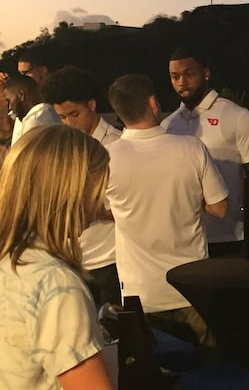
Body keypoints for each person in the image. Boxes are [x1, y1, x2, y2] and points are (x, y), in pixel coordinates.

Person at [106, 74, 228, 349]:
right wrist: (188, 199)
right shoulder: (191, 148)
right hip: (191, 285)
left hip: (140, 290)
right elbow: (220, 208)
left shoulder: (107, 158)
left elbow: (96, 209)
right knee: (207, 362)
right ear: (153, 103)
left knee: (154, 365)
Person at [0, 124, 113, 389]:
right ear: (69, 192)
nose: (99, 204)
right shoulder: (57, 285)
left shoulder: (11, 261)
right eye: (96, 191)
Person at [161, 46, 249, 258]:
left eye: (189, 74)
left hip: (231, 237)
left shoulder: (236, 116)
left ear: (205, 73)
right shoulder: (168, 125)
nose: (182, 82)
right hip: (184, 240)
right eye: (175, 77)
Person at [40, 66, 122, 306]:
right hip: (72, 260)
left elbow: (134, 205)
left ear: (92, 105)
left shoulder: (117, 146)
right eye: (62, 117)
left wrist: (92, 212)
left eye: (74, 114)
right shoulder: (62, 148)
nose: (69, 123)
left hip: (111, 260)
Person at [3, 75, 61, 145]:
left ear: (21, 95)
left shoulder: (36, 122)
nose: (9, 107)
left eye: (9, 100)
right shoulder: (46, 114)